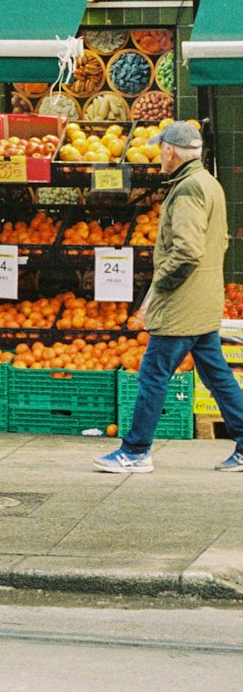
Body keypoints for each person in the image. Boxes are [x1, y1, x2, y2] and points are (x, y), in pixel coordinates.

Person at [94, 120, 243, 473]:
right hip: (202, 298)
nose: (158, 153)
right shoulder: (208, 183)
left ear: (171, 151)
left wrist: (160, 285)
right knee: (216, 373)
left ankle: (135, 450)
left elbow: (187, 251)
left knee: (152, 374)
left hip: (182, 303)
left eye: (161, 147)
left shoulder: (189, 189)